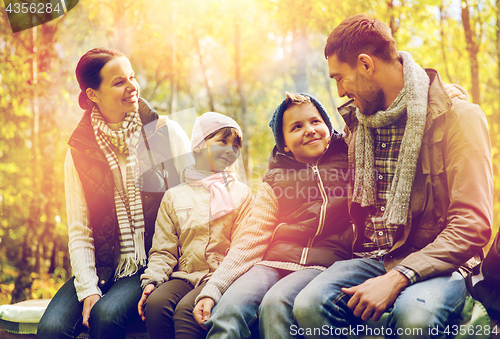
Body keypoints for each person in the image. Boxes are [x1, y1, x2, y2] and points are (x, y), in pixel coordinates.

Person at [293, 14, 493, 339]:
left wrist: (400, 275)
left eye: (340, 78)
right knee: (309, 304)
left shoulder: (458, 118)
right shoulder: (361, 123)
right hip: (373, 256)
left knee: (414, 316)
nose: (340, 91)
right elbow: (319, 155)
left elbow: (473, 223)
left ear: (366, 64)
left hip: (440, 261)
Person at [37, 47, 193, 339]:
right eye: (119, 81)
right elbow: (80, 231)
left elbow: (195, 202)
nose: (132, 87)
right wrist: (88, 291)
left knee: (106, 317)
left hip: (151, 262)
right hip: (103, 264)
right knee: (51, 329)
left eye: (132, 77)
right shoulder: (78, 153)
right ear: (93, 94)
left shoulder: (165, 133)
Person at [193, 93, 353, 338]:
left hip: (322, 264)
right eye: (297, 127)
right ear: (284, 143)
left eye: (315, 121)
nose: (309, 130)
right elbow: (251, 237)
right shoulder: (274, 179)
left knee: (276, 304)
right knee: (227, 311)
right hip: (271, 263)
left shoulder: (350, 160)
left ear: (329, 128)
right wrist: (214, 288)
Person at [137, 112, 253, 339]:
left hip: (221, 277)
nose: (231, 150)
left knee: (186, 310)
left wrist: (219, 283)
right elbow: (163, 251)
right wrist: (152, 281)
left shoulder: (241, 194)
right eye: (222, 141)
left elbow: (243, 248)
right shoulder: (174, 196)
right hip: (186, 275)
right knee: (157, 304)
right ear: (199, 145)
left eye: (236, 146)